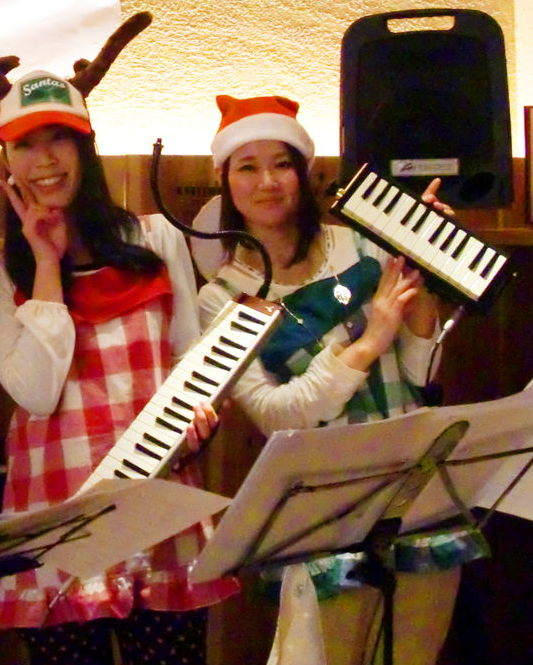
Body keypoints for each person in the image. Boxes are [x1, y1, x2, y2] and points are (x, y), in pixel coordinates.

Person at [0, 5, 238, 665]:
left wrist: (200, 420)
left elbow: (189, 362)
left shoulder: (155, 239)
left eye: (61, 138)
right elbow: (37, 393)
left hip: (157, 513)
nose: (45, 160)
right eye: (25, 144)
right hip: (56, 523)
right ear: (5, 159)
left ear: (87, 148)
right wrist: (46, 265)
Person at [193, 93, 486, 665]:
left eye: (281, 164)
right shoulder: (222, 298)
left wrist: (423, 270)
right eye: (247, 167)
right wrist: (371, 339)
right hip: (326, 506)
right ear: (224, 180)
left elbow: (420, 371)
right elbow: (278, 414)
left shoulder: (363, 243)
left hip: (414, 486)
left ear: (304, 173)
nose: (267, 181)